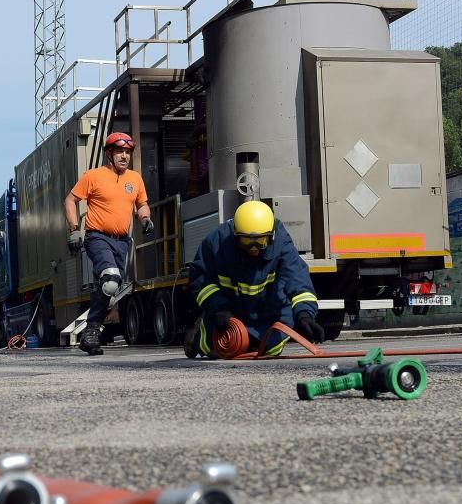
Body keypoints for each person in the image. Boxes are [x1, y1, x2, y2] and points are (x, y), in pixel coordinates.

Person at [186, 200, 324, 358]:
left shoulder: (281, 243)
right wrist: (218, 308)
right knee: (215, 350)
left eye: (260, 241)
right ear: (235, 235)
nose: (253, 248)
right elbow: (199, 277)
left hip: (267, 309)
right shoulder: (217, 242)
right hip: (229, 308)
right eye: (246, 241)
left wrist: (304, 314)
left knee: (267, 351)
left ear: (271, 236)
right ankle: (196, 337)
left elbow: (297, 278)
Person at [63, 131, 154, 355]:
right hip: (97, 237)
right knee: (111, 279)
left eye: (127, 152)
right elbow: (70, 200)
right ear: (108, 154)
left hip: (122, 241)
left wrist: (145, 218)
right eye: (119, 152)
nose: (124, 156)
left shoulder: (135, 178)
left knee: (109, 287)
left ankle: (90, 335)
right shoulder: (93, 176)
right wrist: (74, 229)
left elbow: (141, 203)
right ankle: (93, 330)